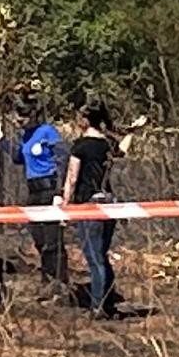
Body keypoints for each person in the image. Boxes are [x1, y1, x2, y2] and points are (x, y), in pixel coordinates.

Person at [63, 101, 123, 316]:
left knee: (94, 257)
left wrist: (65, 203)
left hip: (89, 205)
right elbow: (123, 150)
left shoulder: (80, 146)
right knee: (102, 255)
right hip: (110, 202)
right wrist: (134, 131)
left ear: (85, 120)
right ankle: (107, 302)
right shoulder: (108, 144)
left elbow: (72, 177)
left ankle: (98, 305)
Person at [3, 93, 70, 287]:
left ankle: (59, 282)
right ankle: (47, 278)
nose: (18, 121)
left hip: (49, 188)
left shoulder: (47, 131)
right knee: (38, 238)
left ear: (33, 114)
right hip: (33, 191)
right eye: (16, 116)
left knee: (52, 240)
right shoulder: (25, 136)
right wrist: (2, 141)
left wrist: (60, 192)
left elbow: (62, 159)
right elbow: (18, 158)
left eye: (22, 116)